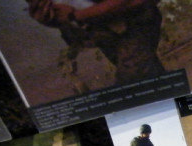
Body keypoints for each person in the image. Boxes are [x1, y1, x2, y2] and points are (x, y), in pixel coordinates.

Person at [27, 0, 165, 87]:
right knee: (150, 77)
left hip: (134, 21)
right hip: (103, 31)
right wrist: (49, 17)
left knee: (133, 80)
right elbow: (58, 14)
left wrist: (75, 15)